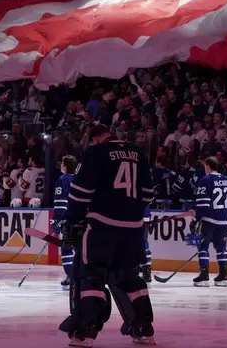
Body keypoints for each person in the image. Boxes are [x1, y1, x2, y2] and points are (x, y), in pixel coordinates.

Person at [60, 124, 155, 347]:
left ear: (94, 138)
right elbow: (148, 194)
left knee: (91, 275)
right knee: (130, 277)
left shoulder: (95, 152)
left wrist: (72, 221)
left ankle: (87, 331)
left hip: (101, 227)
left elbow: (80, 195)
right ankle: (145, 329)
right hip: (133, 229)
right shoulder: (137, 152)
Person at [189, 157, 227, 288]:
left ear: (207, 166)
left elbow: (202, 203)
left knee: (202, 247)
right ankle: (223, 276)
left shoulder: (206, 179)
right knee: (221, 248)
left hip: (209, 220)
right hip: (224, 220)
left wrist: (196, 219)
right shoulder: (226, 180)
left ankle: (204, 275)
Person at [51, 155, 78, 290]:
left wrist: (57, 220)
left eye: (62, 163)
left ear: (65, 166)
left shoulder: (62, 180)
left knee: (67, 248)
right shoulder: (81, 179)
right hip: (82, 221)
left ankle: (71, 276)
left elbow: (60, 202)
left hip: (69, 223)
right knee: (79, 249)